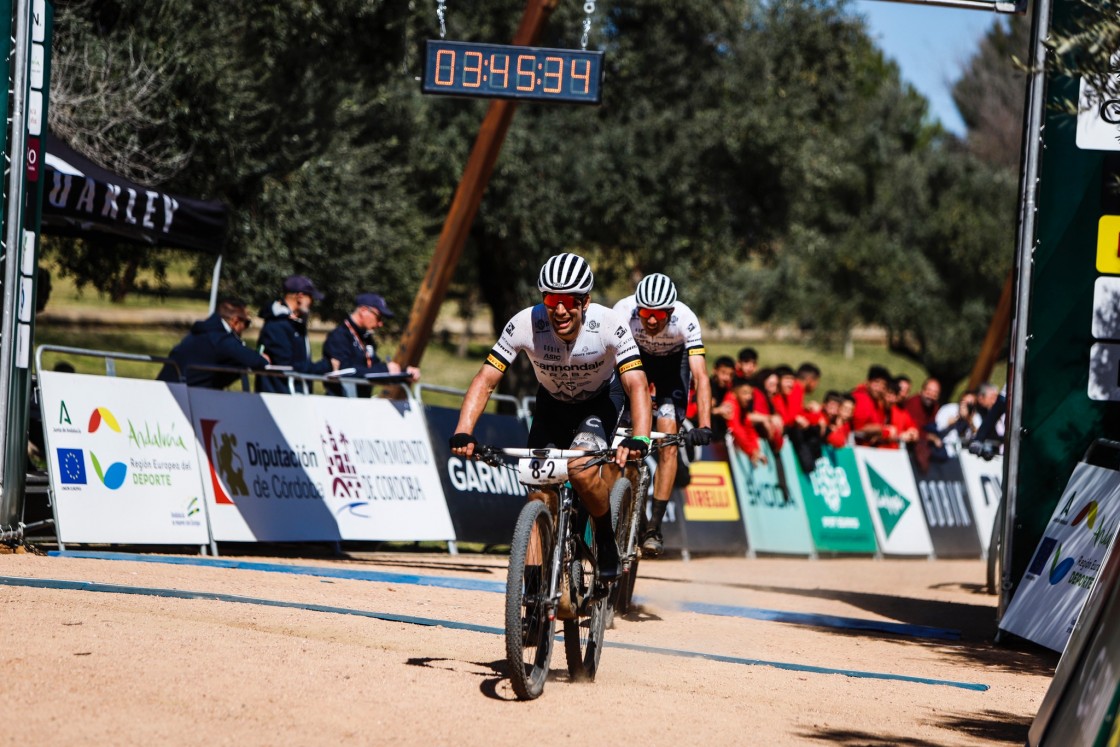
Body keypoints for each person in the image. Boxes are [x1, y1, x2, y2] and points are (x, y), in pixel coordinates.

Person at [448, 253, 651, 581]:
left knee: (581, 472)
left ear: (584, 301)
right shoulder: (525, 323)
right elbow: (485, 380)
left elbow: (636, 383)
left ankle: (604, 538)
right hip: (552, 405)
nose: (559, 310)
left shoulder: (610, 324)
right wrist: (463, 432)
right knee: (538, 491)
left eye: (569, 300)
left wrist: (640, 436)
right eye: (551, 299)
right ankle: (531, 584)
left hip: (599, 403)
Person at [613, 272, 713, 557]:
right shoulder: (622, 311)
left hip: (672, 367)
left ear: (671, 311)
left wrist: (705, 424)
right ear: (637, 308)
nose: (652, 320)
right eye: (645, 313)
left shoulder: (686, 319)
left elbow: (701, 376)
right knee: (623, 426)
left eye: (659, 314)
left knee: (667, 441)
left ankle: (654, 526)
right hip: (637, 359)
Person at [157, 297, 268, 389]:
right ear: (235, 321)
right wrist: (263, 358)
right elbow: (256, 361)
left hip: (166, 388)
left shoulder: (203, 332)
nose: (246, 328)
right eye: (247, 323)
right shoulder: (220, 338)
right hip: (181, 395)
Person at [323, 292, 420, 397]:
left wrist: (403, 373)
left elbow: (373, 366)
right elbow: (344, 371)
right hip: (339, 404)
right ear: (363, 310)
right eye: (378, 317)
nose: (380, 323)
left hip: (360, 404)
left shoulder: (366, 338)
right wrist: (385, 370)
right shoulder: (339, 336)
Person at [255, 275, 333, 394]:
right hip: (280, 397)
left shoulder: (295, 323)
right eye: (310, 297)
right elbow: (286, 365)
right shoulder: (277, 325)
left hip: (295, 395)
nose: (312, 302)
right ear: (300, 297)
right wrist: (324, 366)